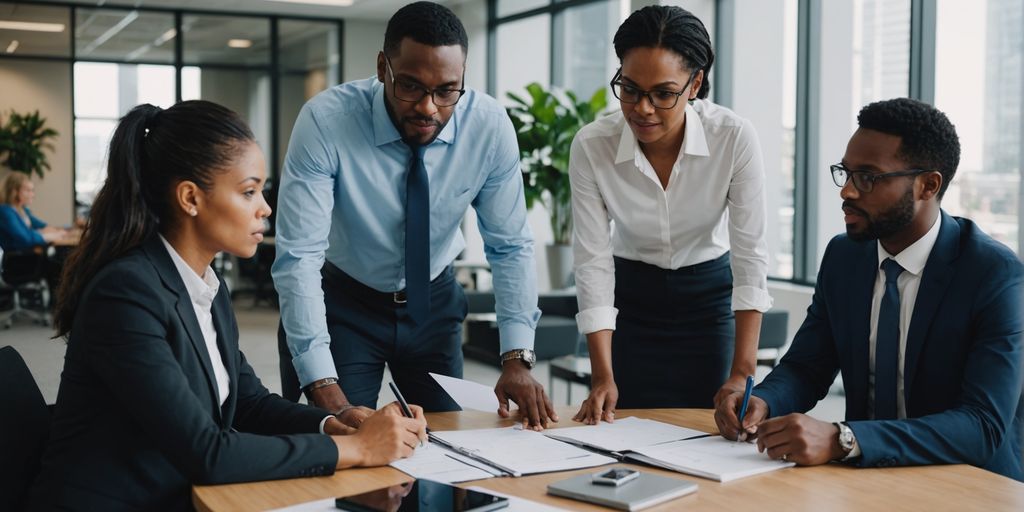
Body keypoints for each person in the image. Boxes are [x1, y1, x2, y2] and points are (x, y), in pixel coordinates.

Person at [30, 101, 428, 510]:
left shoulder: (206, 286)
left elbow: (249, 404)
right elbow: (209, 454)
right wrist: (360, 450)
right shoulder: (126, 294)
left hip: (181, 493)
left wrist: (337, 424)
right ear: (190, 198)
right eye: (248, 191)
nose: (265, 208)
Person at [274, 1, 556, 429]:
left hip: (433, 303)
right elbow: (299, 255)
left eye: (447, 90)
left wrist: (517, 356)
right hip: (345, 306)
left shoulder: (488, 126)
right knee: (344, 448)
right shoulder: (326, 121)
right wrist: (319, 381)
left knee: (445, 451)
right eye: (410, 86)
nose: (428, 107)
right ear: (383, 66)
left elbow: (510, 244)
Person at [715, 98, 1023, 481]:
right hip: (867, 479)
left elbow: (982, 426)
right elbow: (807, 367)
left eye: (868, 177)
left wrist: (844, 438)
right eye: (845, 173)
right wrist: (763, 400)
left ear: (928, 185)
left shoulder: (993, 274)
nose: (846, 191)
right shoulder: (845, 256)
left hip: (969, 484)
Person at [569, 5, 772, 423]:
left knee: (713, 433)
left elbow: (750, 257)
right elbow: (593, 262)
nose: (642, 109)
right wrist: (602, 374)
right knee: (625, 434)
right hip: (631, 306)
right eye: (629, 89)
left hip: (707, 302)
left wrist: (742, 372)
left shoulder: (733, 138)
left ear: (695, 83)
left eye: (662, 94)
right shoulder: (592, 146)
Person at [0, 172, 70, 250]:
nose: (32, 195)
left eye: (32, 190)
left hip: (27, 254)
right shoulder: (5, 211)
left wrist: (51, 231)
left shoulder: (23, 210)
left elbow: (42, 226)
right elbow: (25, 238)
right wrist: (47, 235)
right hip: (16, 259)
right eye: (28, 190)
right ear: (14, 191)